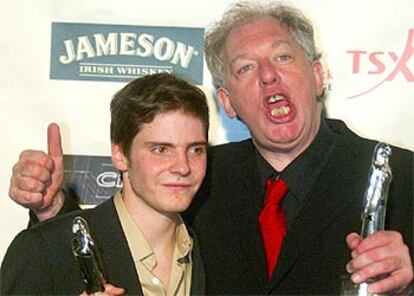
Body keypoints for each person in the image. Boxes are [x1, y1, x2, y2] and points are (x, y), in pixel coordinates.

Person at [6, 1, 414, 295]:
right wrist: (52, 209)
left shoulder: (404, 179)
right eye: (246, 68)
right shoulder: (197, 177)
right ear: (227, 102)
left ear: (318, 74)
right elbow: (118, 248)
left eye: (283, 56)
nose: (269, 77)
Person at [1, 72, 209, 295]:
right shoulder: (42, 251)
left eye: (195, 149)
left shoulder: (215, 253)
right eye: (160, 149)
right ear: (119, 154)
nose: (182, 167)